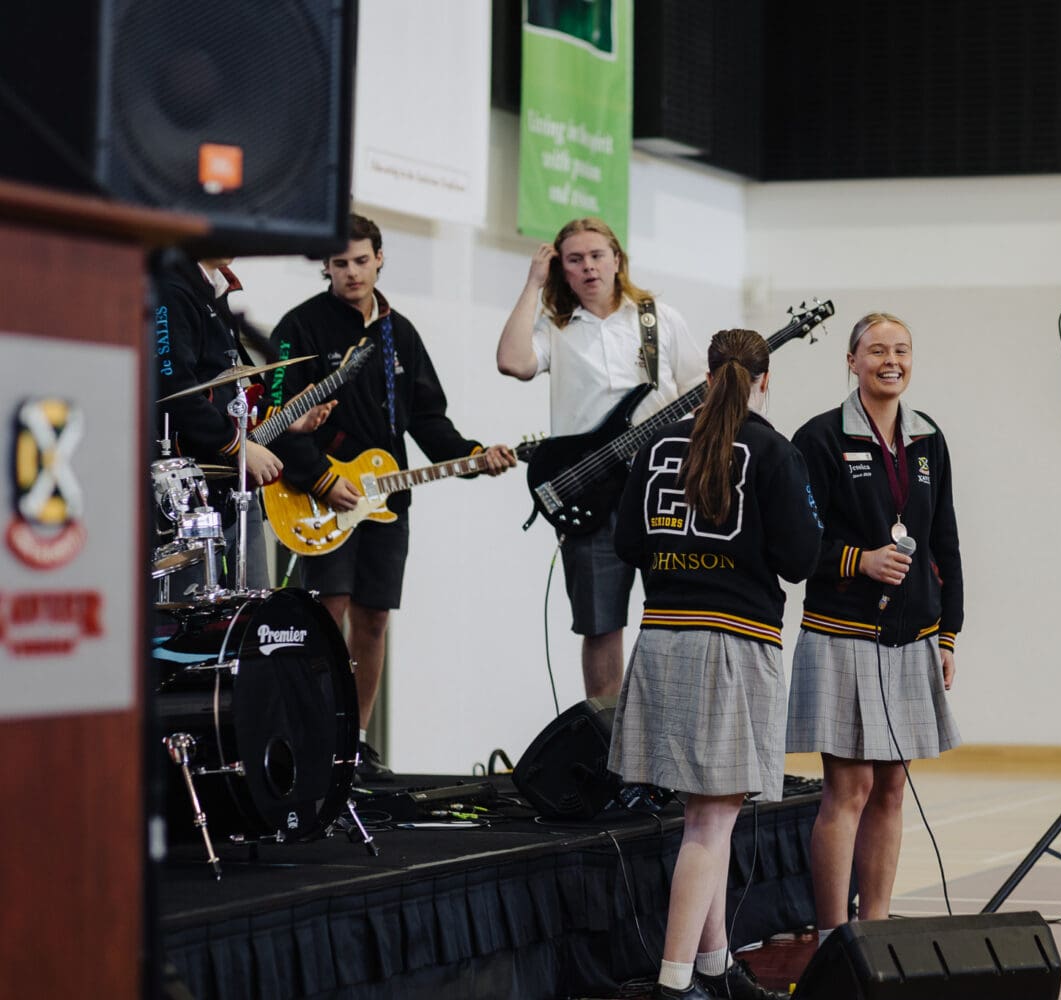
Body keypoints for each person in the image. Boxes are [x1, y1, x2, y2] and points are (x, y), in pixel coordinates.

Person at [610, 329, 821, 1000]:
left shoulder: (655, 446)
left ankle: (715, 968)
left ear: (706, 375)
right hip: (731, 646)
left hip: (664, 637)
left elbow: (625, 542)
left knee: (710, 816)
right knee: (710, 824)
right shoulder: (772, 452)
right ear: (765, 380)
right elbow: (801, 559)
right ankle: (674, 983)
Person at [268, 214, 517, 782]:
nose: (352, 272)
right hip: (319, 494)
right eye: (340, 263)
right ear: (325, 267)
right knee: (326, 615)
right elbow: (274, 420)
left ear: (380, 258)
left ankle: (353, 744)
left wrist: (475, 455)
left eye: (361, 260)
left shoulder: (398, 332)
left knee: (373, 620)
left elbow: (429, 420)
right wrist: (320, 479)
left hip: (386, 497)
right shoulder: (298, 327)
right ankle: (313, 740)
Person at [785, 312, 963, 941]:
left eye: (902, 350)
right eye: (878, 350)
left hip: (911, 638)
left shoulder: (928, 437)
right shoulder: (818, 439)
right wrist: (858, 560)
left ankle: (877, 931)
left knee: (892, 787)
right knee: (850, 788)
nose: (892, 360)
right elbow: (799, 543)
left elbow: (944, 536)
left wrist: (948, 631)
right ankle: (835, 937)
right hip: (841, 633)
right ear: (852, 361)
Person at [496, 217, 706, 700]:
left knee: (674, 619)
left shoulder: (659, 319)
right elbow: (513, 361)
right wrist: (532, 283)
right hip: (588, 493)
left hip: (662, 488)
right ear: (561, 271)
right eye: (574, 260)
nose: (588, 267)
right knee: (600, 624)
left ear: (617, 259)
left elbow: (701, 392)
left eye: (596, 255)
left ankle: (666, 742)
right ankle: (607, 746)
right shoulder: (558, 328)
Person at [155, 253, 331, 593]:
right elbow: (175, 390)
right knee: (192, 616)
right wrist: (238, 446)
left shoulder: (217, 292)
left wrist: (280, 420)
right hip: (190, 489)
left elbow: (233, 390)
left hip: (234, 483)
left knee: (251, 614)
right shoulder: (172, 288)